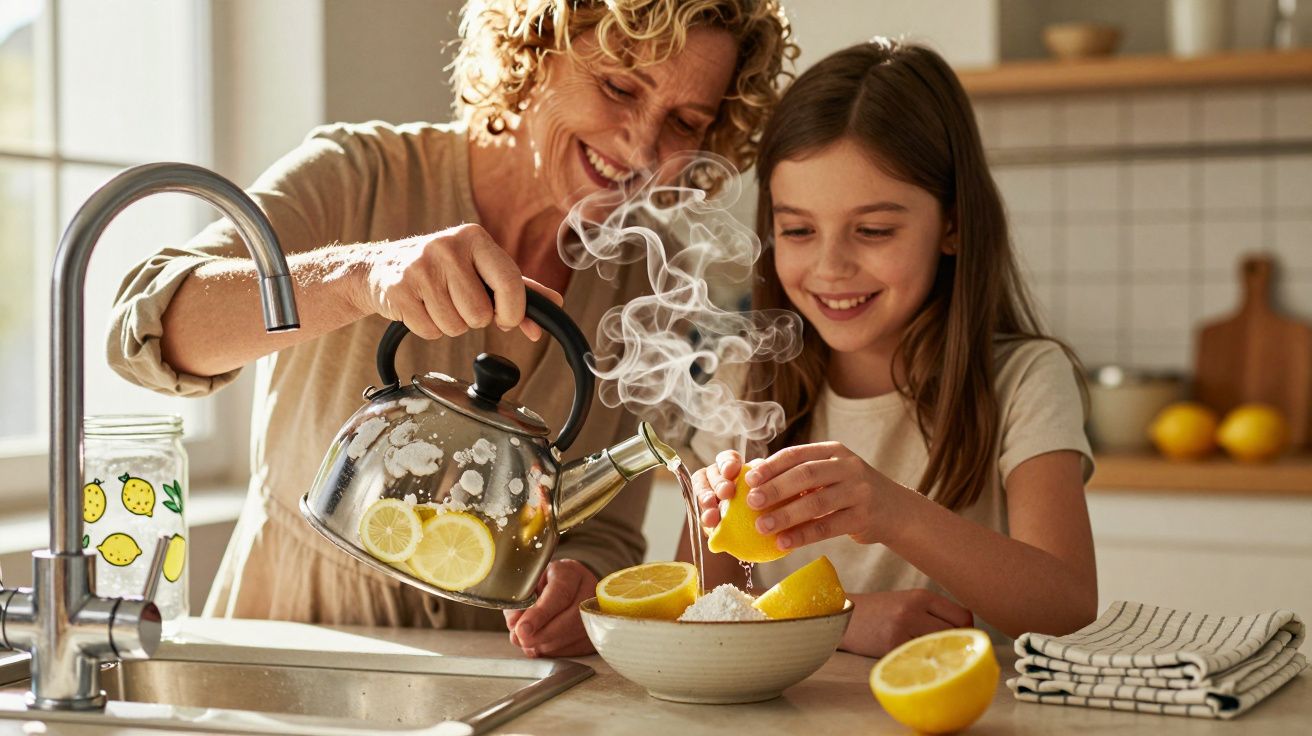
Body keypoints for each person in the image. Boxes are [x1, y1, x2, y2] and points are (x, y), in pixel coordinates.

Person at [107, 0, 795, 658]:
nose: (642, 144)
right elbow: (146, 333)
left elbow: (605, 526)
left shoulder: (643, 277)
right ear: (534, 50)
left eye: (685, 121)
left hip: (491, 675)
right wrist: (361, 276)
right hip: (287, 641)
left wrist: (580, 580)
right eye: (618, 87)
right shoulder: (357, 176)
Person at [683, 38, 1098, 657]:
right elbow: (706, 611)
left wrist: (893, 512)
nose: (831, 266)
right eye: (797, 229)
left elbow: (1068, 608)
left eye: (873, 230)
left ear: (953, 225)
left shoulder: (1024, 379)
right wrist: (841, 620)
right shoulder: (744, 381)